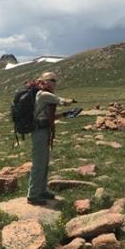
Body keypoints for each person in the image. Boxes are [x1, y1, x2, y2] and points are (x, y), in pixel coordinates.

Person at [27, 71, 75, 206]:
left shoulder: (45, 95)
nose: (55, 83)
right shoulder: (44, 94)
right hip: (39, 132)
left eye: (55, 80)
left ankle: (41, 190)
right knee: (38, 164)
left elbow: (49, 116)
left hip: (44, 130)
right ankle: (33, 195)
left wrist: (65, 115)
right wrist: (70, 101)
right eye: (52, 80)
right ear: (45, 81)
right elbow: (63, 101)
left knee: (44, 162)